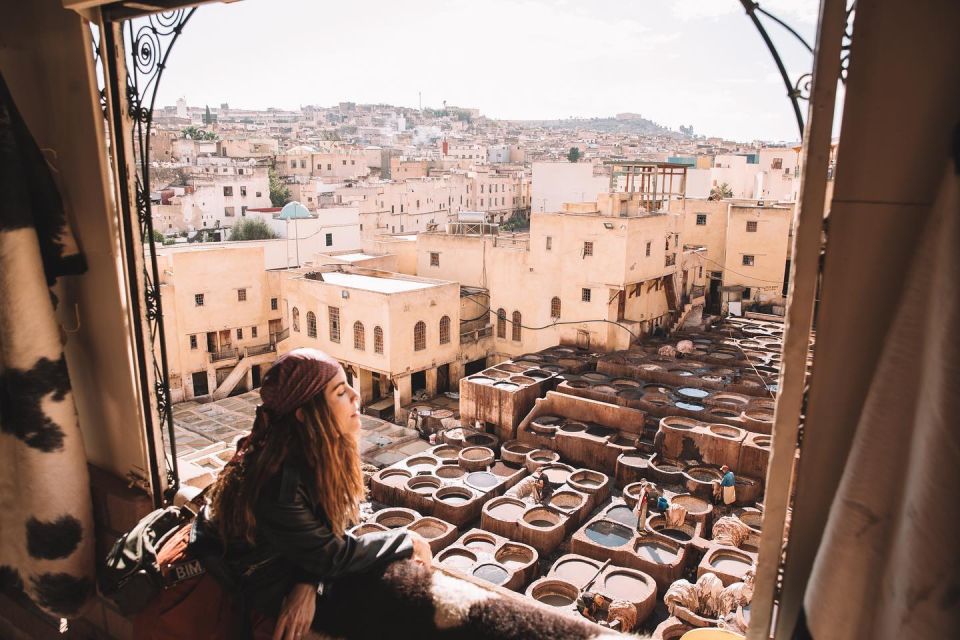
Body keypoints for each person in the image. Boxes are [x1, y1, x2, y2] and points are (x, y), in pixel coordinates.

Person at [191, 349, 432, 640]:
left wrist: (305, 583)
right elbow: (332, 554)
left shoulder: (311, 454)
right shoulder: (279, 483)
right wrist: (408, 540)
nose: (356, 396)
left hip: (278, 562)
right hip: (245, 579)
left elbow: (317, 537)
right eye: (340, 392)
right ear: (306, 414)